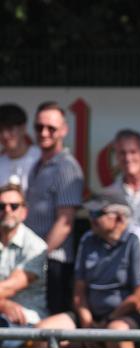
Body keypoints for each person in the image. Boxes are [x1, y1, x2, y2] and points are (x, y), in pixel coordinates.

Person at [36, 191, 140, 348]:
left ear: (119, 218)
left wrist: (107, 322)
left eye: (98, 214)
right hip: (94, 318)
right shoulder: (87, 239)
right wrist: (88, 324)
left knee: (115, 332)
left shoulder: (139, 239)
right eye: (90, 213)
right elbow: (79, 291)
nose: (91, 219)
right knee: (43, 332)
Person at [25, 101, 84, 315]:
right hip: (35, 262)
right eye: (39, 127)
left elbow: (65, 223)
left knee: (51, 324)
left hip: (54, 263)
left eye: (51, 128)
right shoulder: (37, 165)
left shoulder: (67, 167)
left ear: (64, 130)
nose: (44, 133)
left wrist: (38, 255)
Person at [0, 181, 48, 333]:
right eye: (1, 206)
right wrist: (3, 305)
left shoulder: (36, 246)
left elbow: (8, 288)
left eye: (14, 206)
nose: (7, 210)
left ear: (24, 212)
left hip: (27, 322)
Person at [0, 103, 40, 192]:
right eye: (0, 130)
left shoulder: (40, 158)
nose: (5, 135)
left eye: (10, 128)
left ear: (23, 128)